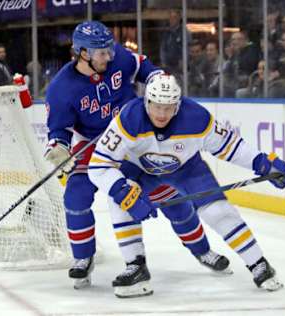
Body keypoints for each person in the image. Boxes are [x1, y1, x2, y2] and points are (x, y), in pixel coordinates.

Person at [44, 21, 228, 290]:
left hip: (136, 141)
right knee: (76, 196)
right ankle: (83, 258)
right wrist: (58, 147)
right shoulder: (61, 88)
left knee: (170, 197)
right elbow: (58, 129)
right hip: (95, 147)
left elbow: (143, 66)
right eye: (101, 53)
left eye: (109, 50)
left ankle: (201, 250)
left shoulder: (115, 55)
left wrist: (156, 80)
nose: (109, 55)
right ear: (83, 53)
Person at [88, 74, 285, 297]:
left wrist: (263, 164)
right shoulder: (129, 118)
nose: (162, 114)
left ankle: (258, 264)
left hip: (187, 169)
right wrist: (124, 193)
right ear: (147, 102)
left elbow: (231, 146)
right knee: (120, 202)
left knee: (218, 211)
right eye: (157, 106)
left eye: (168, 107)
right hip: (139, 170)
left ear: (178, 105)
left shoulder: (196, 117)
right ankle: (136, 266)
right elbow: (98, 165)